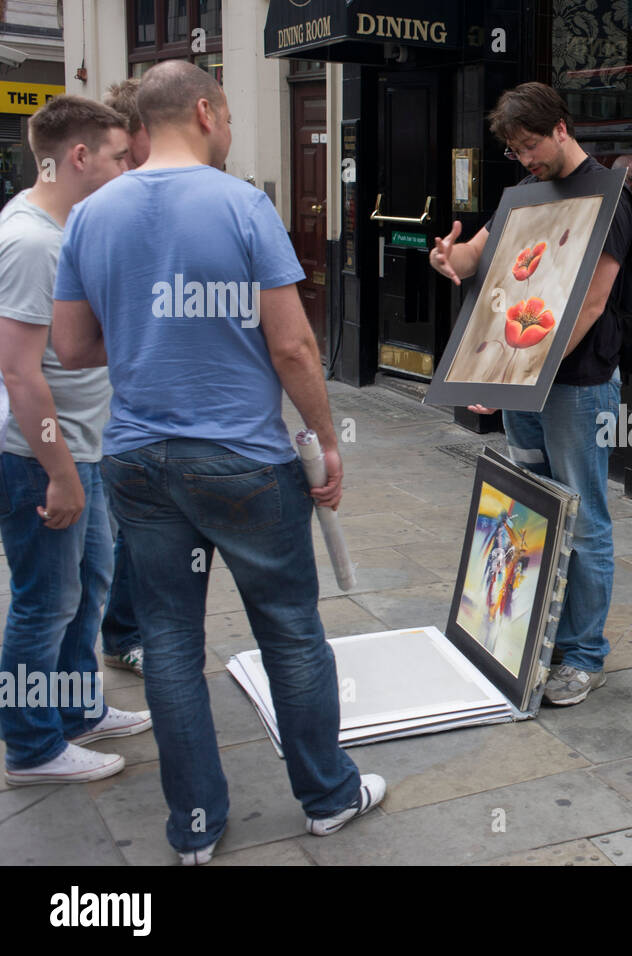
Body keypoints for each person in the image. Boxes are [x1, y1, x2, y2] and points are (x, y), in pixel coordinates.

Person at [50, 61, 382, 864]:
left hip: (137, 457)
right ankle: (328, 796)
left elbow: (70, 345)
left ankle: (194, 827)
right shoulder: (242, 205)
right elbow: (294, 343)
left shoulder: (92, 216)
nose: (229, 132)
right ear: (204, 112)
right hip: (243, 460)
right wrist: (326, 438)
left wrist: (143, 341)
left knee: (167, 643)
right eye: (228, 118)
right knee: (292, 634)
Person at [428, 82, 632, 705]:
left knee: (584, 515)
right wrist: (449, 257)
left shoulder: (608, 197)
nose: (525, 158)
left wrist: (517, 375)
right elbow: (473, 259)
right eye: (515, 149)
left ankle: (584, 656)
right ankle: (529, 640)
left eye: (530, 145)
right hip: (529, 383)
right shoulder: (524, 196)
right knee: (531, 509)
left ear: (562, 128)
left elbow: (590, 307)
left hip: (579, 385)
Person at [0, 95, 153, 787]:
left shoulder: (63, 229)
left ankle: (77, 710)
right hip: (42, 460)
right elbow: (19, 374)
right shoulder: (32, 241)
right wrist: (59, 473)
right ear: (81, 157)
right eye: (120, 156)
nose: (129, 168)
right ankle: (31, 748)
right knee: (44, 603)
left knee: (86, 590)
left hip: (79, 451)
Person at [96, 78, 150, 679]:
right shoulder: (105, 208)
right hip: (99, 418)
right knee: (119, 537)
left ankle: (121, 634)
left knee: (122, 536)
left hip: (120, 410)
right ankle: (123, 633)